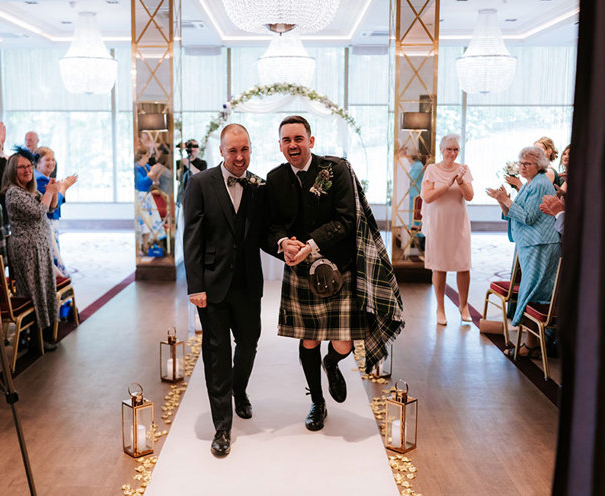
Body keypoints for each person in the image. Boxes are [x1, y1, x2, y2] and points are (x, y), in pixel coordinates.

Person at [265, 115, 403, 433]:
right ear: (280, 146)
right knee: (309, 339)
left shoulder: (335, 169)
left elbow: (346, 219)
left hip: (338, 267)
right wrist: (283, 243)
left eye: (298, 138)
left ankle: (333, 363)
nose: (293, 145)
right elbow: (271, 225)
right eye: (286, 140)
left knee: (342, 342)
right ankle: (317, 401)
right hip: (301, 272)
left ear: (311, 141)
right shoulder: (275, 179)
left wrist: (311, 244)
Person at [183, 123, 265, 457]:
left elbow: (265, 232)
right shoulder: (200, 183)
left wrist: (288, 246)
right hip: (212, 286)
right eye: (233, 150)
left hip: (248, 283)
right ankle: (222, 427)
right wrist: (195, 286)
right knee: (216, 355)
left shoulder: (259, 186)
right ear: (221, 151)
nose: (240, 156)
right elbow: (192, 237)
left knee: (249, 343)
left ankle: (239, 388)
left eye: (244, 149)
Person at [486, 146, 561, 355]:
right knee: (532, 292)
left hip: (540, 244)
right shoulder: (531, 184)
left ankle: (532, 346)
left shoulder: (539, 183)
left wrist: (505, 199)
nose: (522, 167)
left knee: (534, 294)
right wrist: (502, 201)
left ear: (538, 165)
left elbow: (528, 217)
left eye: (526, 164)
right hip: (531, 244)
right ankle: (533, 344)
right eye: (521, 163)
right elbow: (515, 212)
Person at [2, 154, 60, 351]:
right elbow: (38, 212)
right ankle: (35, 339)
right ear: (12, 171)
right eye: (21, 167)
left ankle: (45, 332)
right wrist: (49, 192)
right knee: (34, 291)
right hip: (27, 250)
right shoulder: (13, 193)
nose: (27, 170)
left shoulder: (28, 191)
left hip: (39, 247)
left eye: (28, 166)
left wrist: (53, 192)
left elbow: (50, 209)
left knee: (44, 288)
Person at [420, 134, 474, 325]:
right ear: (442, 150)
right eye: (449, 149)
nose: (452, 153)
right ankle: (440, 308)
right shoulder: (432, 170)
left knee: (463, 265)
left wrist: (459, 181)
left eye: (456, 149)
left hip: (458, 222)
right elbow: (427, 197)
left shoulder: (463, 169)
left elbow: (469, 196)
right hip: (438, 223)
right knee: (440, 265)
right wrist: (448, 183)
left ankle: (464, 305)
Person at [35, 147, 78, 277]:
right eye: (47, 159)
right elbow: (51, 206)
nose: (51, 163)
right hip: (47, 222)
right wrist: (63, 188)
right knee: (54, 258)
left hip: (50, 222)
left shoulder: (44, 178)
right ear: (38, 162)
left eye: (53, 159)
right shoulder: (40, 179)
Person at [134, 150, 166, 255]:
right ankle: (139, 247)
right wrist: (152, 174)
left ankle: (146, 245)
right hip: (140, 197)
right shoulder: (136, 168)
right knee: (141, 223)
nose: (148, 158)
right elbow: (141, 183)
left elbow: (152, 181)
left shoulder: (146, 166)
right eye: (146, 156)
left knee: (149, 223)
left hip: (147, 197)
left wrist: (155, 177)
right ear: (140, 156)